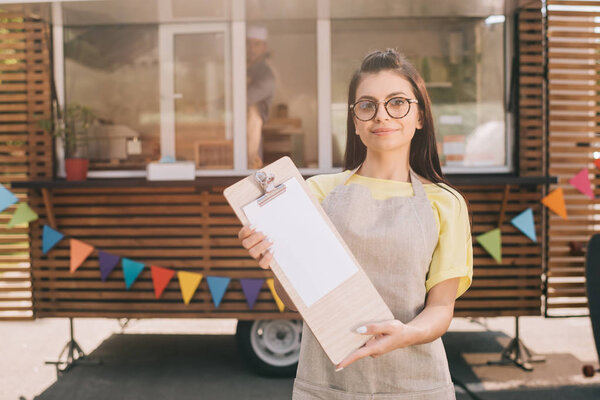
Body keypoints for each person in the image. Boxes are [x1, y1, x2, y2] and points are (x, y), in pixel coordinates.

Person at [238, 49, 473, 399]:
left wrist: (405, 334)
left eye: (397, 103)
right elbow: (294, 301)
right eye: (367, 105)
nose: (382, 116)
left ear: (420, 115)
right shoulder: (316, 191)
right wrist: (275, 262)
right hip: (328, 384)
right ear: (354, 120)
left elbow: (440, 308)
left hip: (416, 384)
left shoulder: (446, 203)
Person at [246, 25, 275, 169]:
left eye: (256, 44)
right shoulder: (244, 69)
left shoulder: (266, 76)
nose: (251, 48)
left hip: (251, 146)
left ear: (264, 47)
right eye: (248, 44)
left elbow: (243, 99)